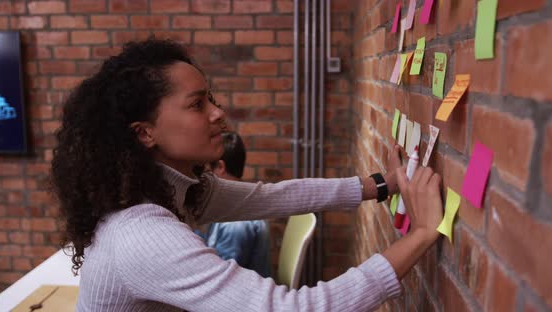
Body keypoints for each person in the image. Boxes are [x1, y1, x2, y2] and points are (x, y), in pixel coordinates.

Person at [50, 38, 444, 312]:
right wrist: (423, 234)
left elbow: (274, 197)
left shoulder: (176, 191)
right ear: (145, 132)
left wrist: (381, 185)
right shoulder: (142, 234)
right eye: (197, 104)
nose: (218, 113)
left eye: (211, 99)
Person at [196, 131, 271, 278]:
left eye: (206, 169)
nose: (202, 177)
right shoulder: (233, 205)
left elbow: (223, 277)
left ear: (220, 167)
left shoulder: (235, 222)